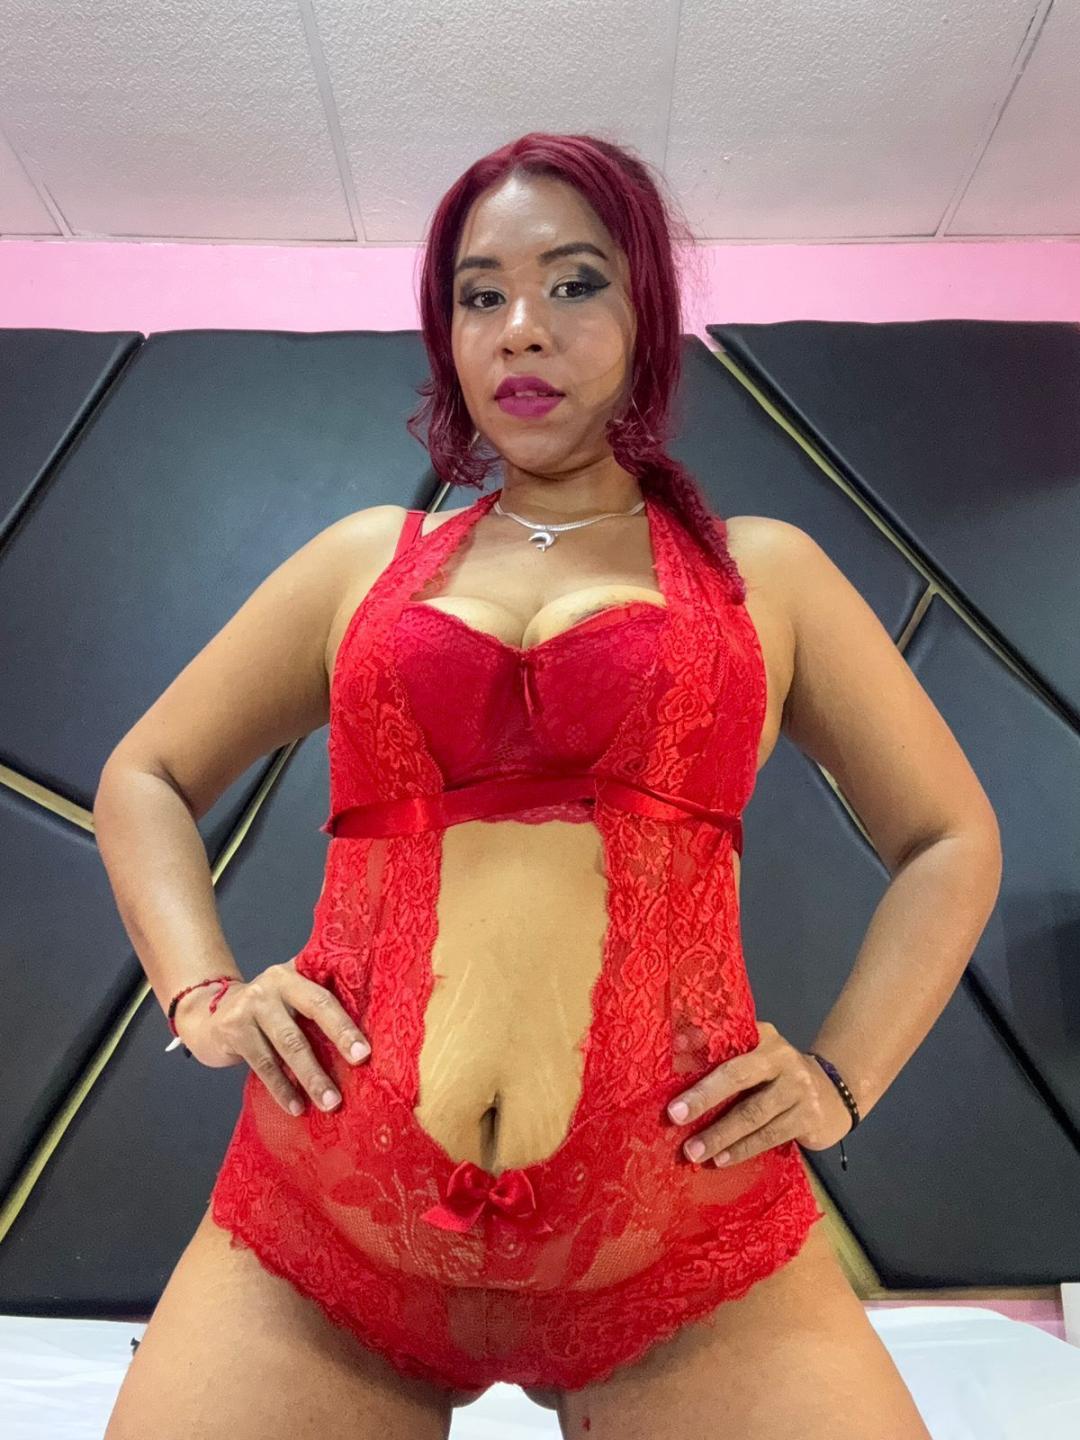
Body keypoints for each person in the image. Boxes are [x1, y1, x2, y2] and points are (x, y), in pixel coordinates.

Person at [97, 133, 999, 1438]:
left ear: (648, 313)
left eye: (575, 284)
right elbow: (145, 774)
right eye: (482, 295)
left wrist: (842, 1079)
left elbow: (950, 836)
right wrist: (204, 996)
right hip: (322, 1235)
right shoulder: (364, 561)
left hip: (687, 1252)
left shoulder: (767, 577)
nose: (522, 327)